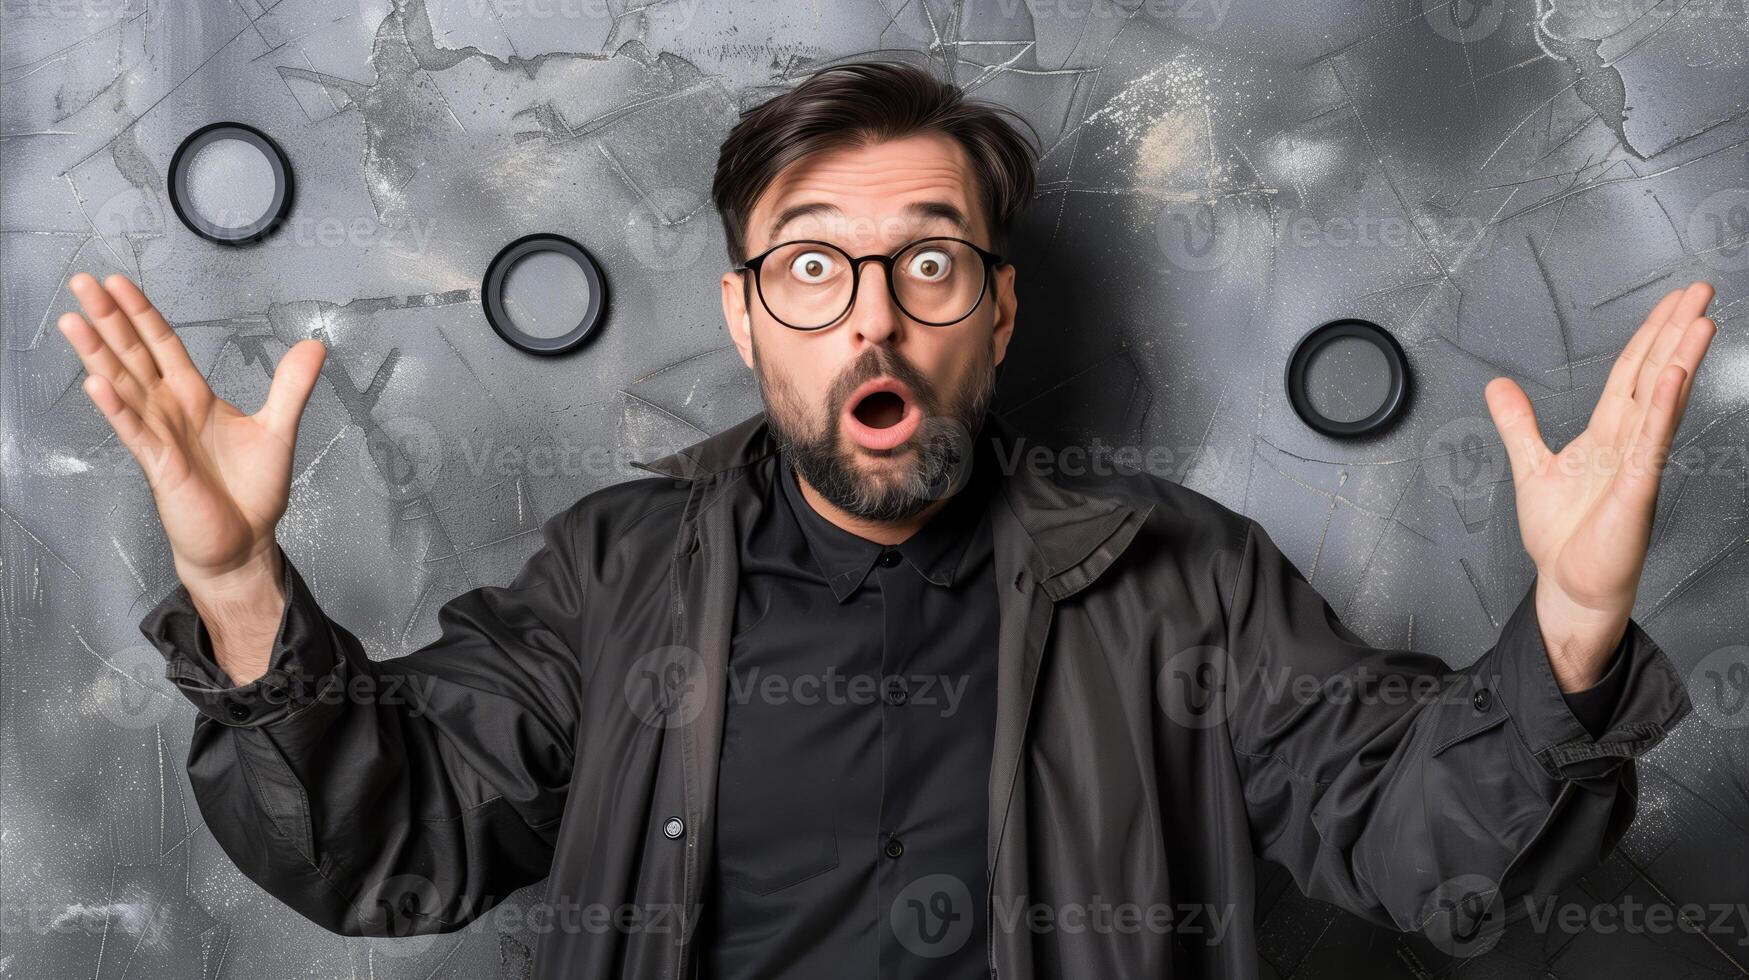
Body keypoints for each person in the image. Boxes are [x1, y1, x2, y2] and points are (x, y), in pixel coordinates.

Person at [57, 60, 1713, 980]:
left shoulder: (1176, 574)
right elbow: (390, 852)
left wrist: (1564, 632)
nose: (872, 318)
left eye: (926, 262)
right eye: (811, 267)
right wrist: (234, 576)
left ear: (993, 313)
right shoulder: (616, 574)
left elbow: (1420, 849)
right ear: (747, 315)